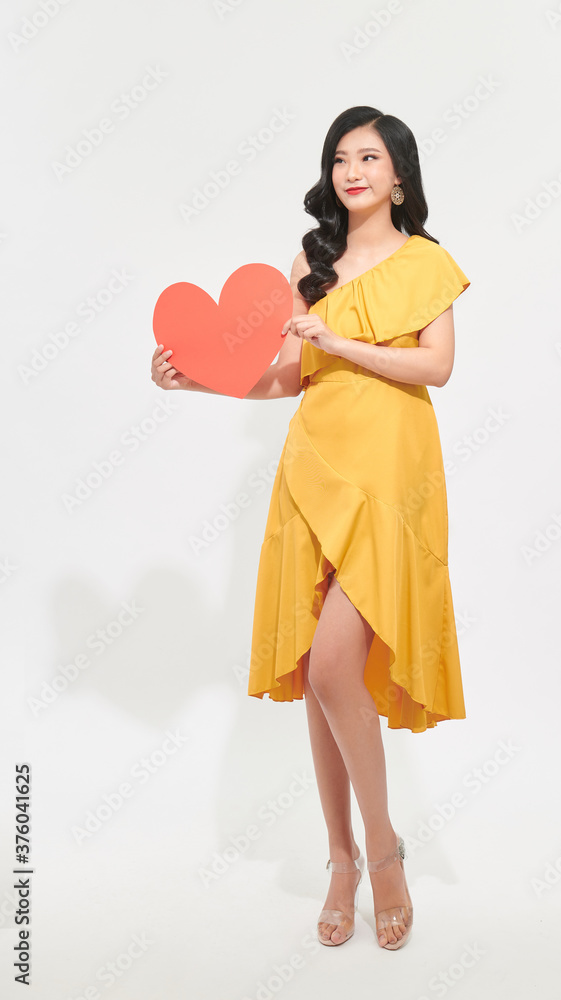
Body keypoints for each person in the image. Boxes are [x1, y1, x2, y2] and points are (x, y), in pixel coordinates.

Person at [151, 105, 470, 951]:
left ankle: (384, 851)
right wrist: (198, 384)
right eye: (339, 158)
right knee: (320, 671)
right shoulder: (312, 262)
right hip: (313, 470)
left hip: (392, 477)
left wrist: (339, 338)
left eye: (369, 156)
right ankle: (340, 859)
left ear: (399, 173)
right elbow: (286, 378)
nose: (351, 170)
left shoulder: (427, 262)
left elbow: (435, 365)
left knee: (338, 664)